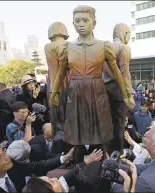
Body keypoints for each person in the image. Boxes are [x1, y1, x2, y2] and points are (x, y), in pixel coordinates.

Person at [49, 5, 134, 164]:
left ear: (93, 23)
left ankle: (102, 170)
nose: (81, 24)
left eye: (85, 20)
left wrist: (126, 95)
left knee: (100, 135)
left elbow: (117, 73)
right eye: (77, 21)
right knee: (77, 136)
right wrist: (54, 94)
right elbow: (60, 73)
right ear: (73, 24)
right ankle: (78, 170)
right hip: (75, 94)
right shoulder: (67, 47)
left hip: (97, 92)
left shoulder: (104, 46)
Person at [0, 142, 74, 193]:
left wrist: (64, 158)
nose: (7, 157)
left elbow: (35, 166)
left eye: (3, 153)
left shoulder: (11, 165)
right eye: (0, 159)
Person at [103, 23, 135, 153]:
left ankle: (106, 153)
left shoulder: (105, 47)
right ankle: (116, 155)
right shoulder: (123, 48)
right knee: (119, 124)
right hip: (118, 90)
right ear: (125, 33)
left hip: (104, 90)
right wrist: (130, 94)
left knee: (106, 124)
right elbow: (124, 73)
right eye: (129, 34)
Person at [44, 22, 69, 134]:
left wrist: (53, 92)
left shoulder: (49, 46)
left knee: (58, 118)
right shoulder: (71, 45)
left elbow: (54, 70)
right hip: (71, 82)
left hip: (56, 83)